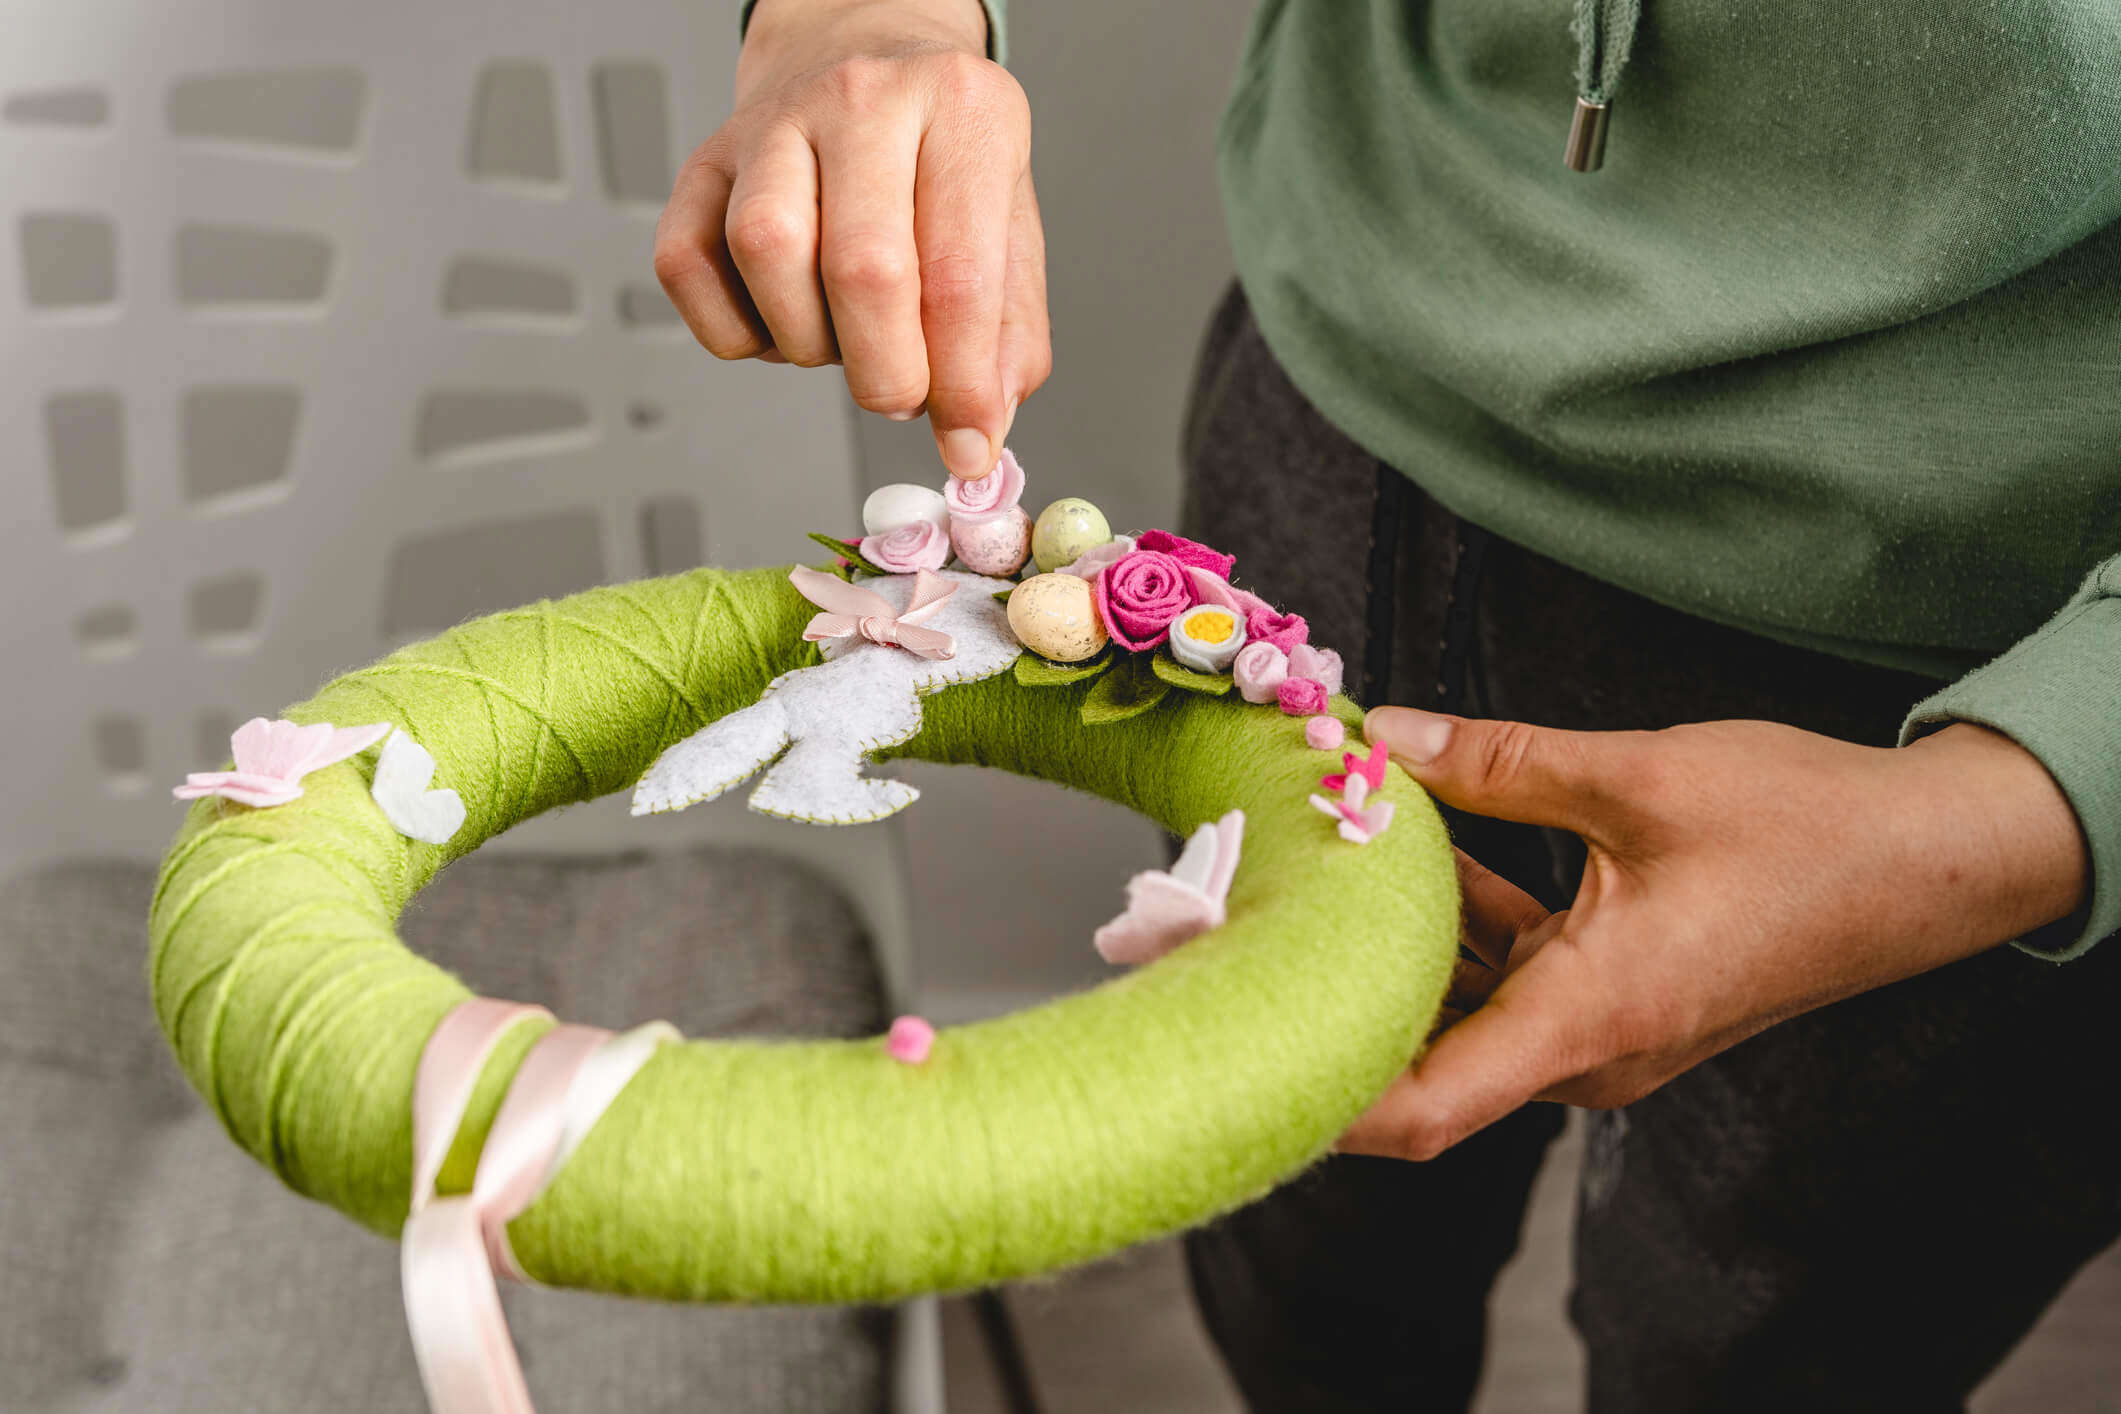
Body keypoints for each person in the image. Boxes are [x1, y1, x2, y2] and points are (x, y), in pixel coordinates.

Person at [655, 2, 2121, 1408]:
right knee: (1295, 1237)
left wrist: (2036, 786)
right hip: (1334, 417)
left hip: (1954, 666)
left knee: (1779, 1338)